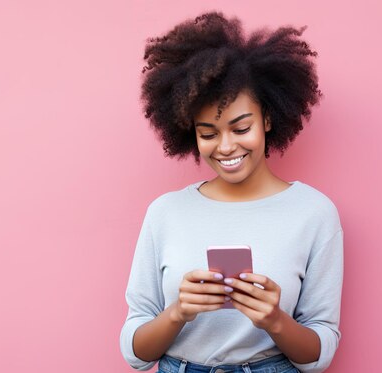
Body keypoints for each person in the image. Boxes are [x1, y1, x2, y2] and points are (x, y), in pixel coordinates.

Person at [119, 11, 344, 373]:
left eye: (241, 127)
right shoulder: (165, 212)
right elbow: (135, 352)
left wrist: (275, 320)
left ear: (267, 118)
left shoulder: (314, 213)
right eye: (208, 133)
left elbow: (319, 354)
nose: (225, 147)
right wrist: (178, 312)